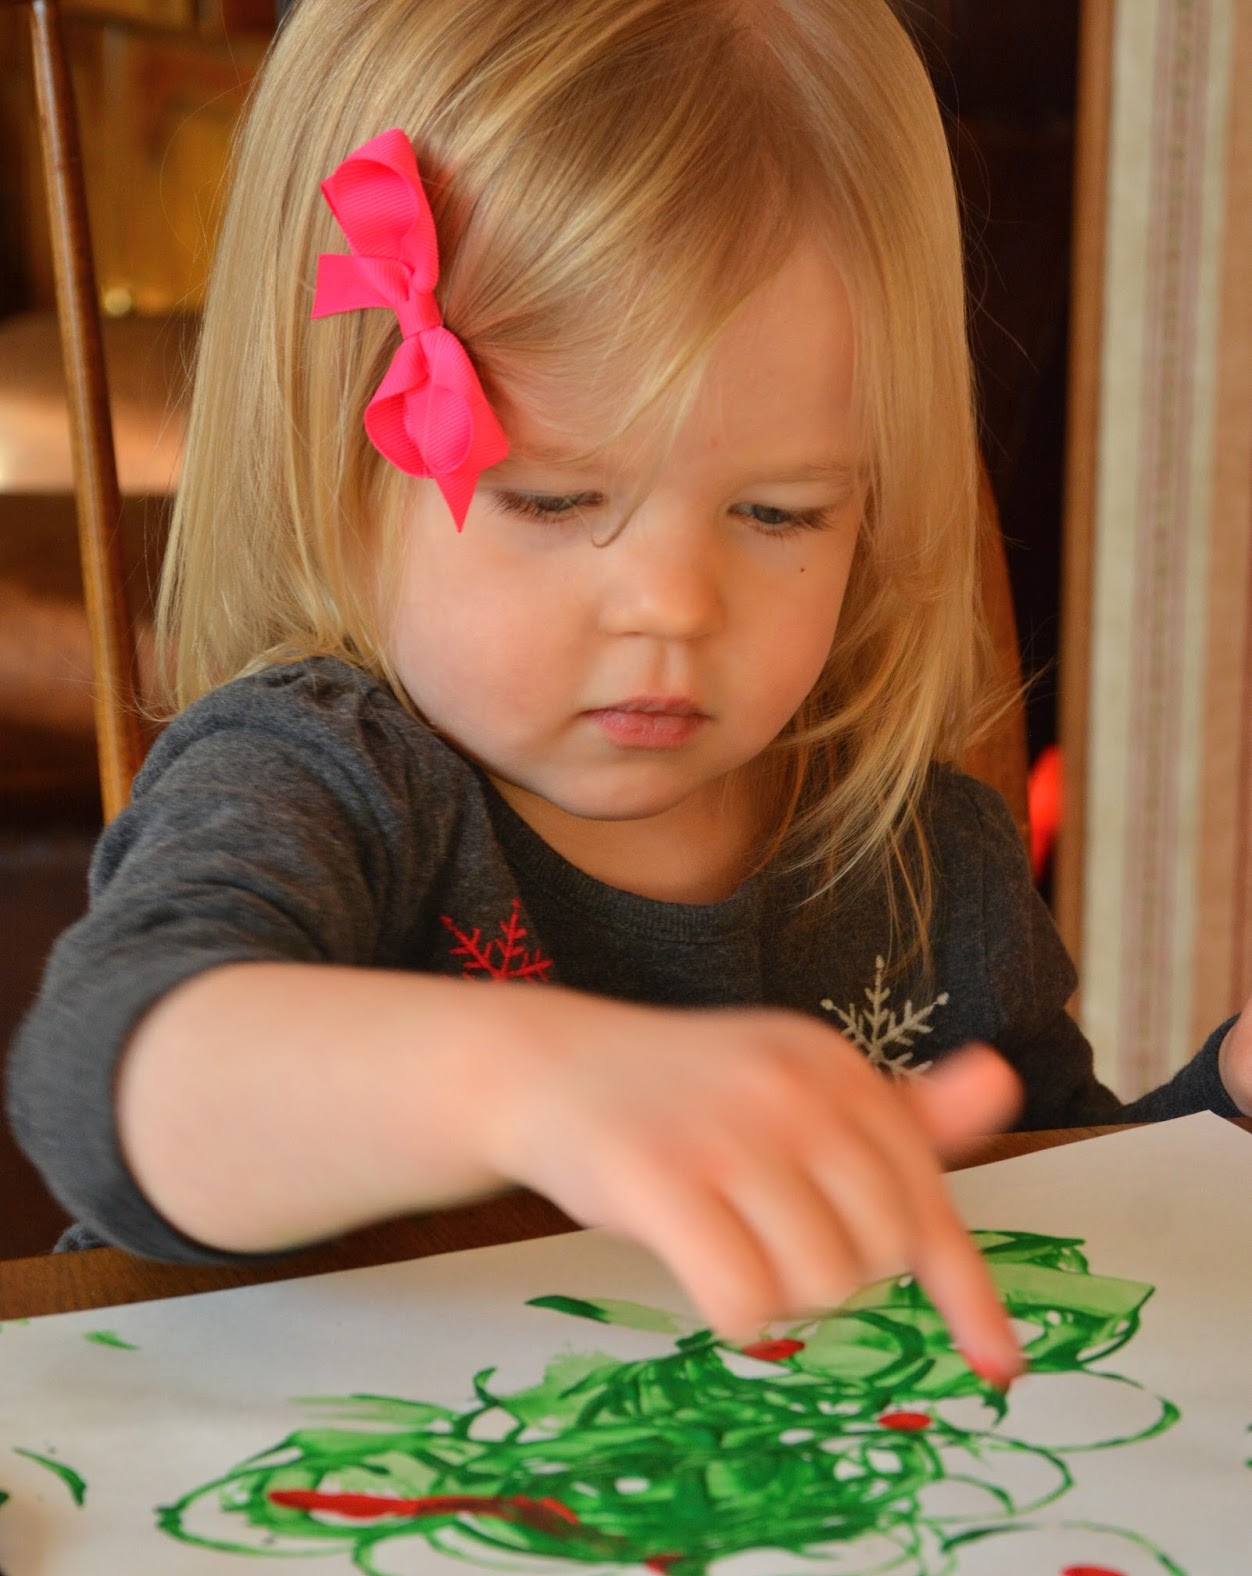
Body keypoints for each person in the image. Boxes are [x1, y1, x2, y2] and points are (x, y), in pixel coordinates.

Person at [7, 0, 1250, 1390]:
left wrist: (1227, 1111)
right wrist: (528, 1085)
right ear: (334, 474)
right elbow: (106, 1069)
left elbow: (1053, 1214)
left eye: (780, 512)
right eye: (552, 497)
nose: (673, 603)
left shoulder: (918, 855)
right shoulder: (324, 775)